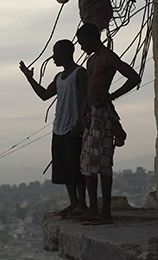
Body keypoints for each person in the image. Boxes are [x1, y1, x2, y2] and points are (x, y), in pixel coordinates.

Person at [75, 23, 140, 225]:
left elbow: (133, 77)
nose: (82, 47)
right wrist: (84, 113)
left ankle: (105, 212)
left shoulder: (108, 57)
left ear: (92, 38)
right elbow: (88, 91)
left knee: (102, 164)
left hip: (103, 112)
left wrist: (111, 95)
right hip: (93, 113)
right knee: (87, 163)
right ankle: (93, 208)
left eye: (83, 42)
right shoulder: (91, 60)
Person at [19, 40, 88, 217]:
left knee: (77, 167)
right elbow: (44, 95)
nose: (53, 58)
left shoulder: (79, 73)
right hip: (59, 128)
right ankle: (74, 203)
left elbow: (86, 99)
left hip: (74, 127)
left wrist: (80, 123)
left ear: (64, 53)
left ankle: (82, 203)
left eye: (55, 53)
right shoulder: (59, 77)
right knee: (64, 168)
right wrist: (29, 78)